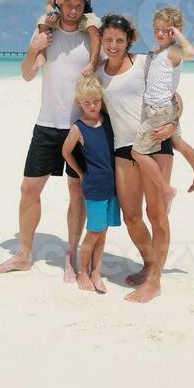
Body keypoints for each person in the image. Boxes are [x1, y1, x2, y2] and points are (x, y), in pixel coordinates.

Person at [0, 0, 92, 280]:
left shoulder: (89, 39)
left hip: (79, 128)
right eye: (68, 5)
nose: (73, 10)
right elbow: (26, 74)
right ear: (59, 6)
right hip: (46, 125)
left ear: (84, 8)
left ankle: (71, 256)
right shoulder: (45, 35)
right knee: (29, 189)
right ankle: (23, 254)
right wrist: (32, 49)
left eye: (79, 6)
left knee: (77, 193)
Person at [97, 15, 177, 304]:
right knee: (131, 217)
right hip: (122, 149)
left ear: (129, 39)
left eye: (119, 40)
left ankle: (155, 280)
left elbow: (174, 97)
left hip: (154, 143)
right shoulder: (99, 72)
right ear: (102, 41)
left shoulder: (144, 63)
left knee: (156, 214)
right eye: (108, 40)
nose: (114, 45)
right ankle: (149, 263)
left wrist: (173, 123)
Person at [131, 6, 194, 209]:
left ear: (176, 30)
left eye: (166, 30)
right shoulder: (159, 52)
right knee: (178, 143)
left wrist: (179, 36)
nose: (159, 34)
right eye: (156, 29)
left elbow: (190, 53)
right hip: (168, 109)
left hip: (159, 110)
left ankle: (165, 188)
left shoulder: (173, 51)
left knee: (137, 153)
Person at [62, 75, 121, 294]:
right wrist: (80, 173)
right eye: (87, 102)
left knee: (103, 232)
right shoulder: (78, 128)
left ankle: (96, 272)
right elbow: (65, 151)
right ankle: (82, 272)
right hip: (94, 187)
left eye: (96, 101)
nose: (92, 106)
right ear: (79, 103)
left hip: (111, 186)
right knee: (93, 231)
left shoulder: (107, 121)